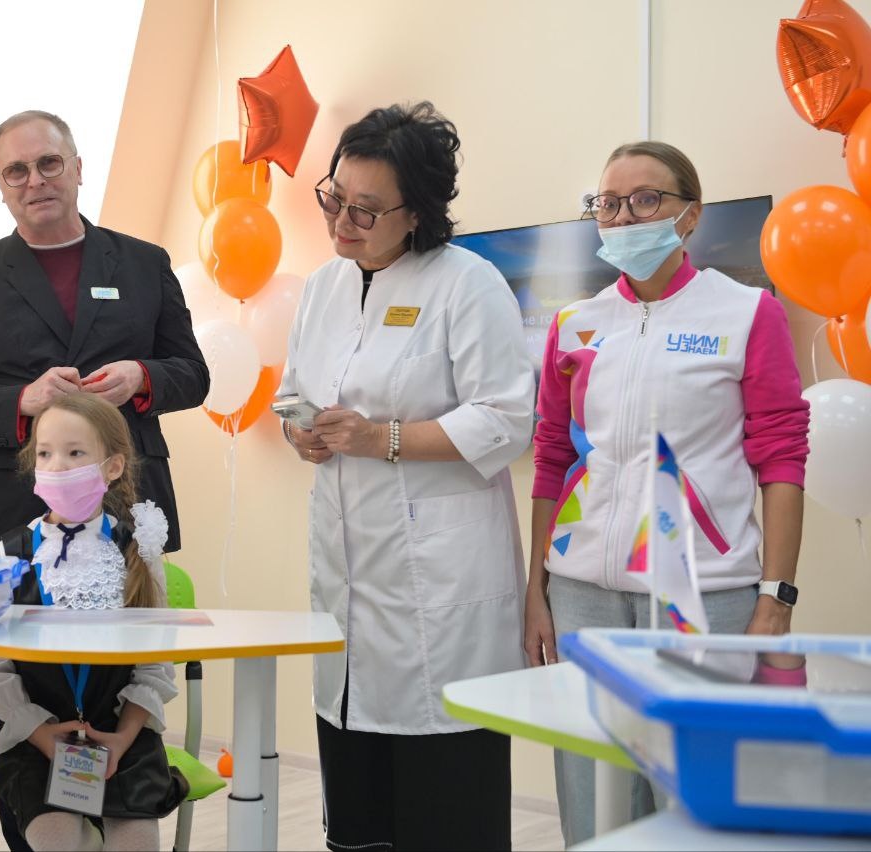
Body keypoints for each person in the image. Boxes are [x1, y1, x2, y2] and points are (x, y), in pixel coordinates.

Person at [523, 141, 810, 845]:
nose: (624, 217)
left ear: (691, 215)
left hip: (702, 599)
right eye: (608, 203)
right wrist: (537, 588)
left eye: (646, 199)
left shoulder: (746, 314)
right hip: (583, 595)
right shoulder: (575, 324)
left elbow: (781, 459)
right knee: (594, 808)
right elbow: (553, 458)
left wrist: (775, 598)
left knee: (697, 812)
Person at [278, 102, 534, 851]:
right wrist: (302, 434)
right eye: (334, 199)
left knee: (443, 805)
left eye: (365, 210)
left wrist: (380, 438)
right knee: (359, 806)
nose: (342, 223)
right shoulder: (323, 287)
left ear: (416, 213)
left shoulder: (468, 284)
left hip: (441, 588)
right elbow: (292, 392)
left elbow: (505, 419)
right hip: (349, 576)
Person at [0, 109, 209, 559]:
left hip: (130, 496)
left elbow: (194, 375)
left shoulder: (145, 263)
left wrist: (141, 377)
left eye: (49, 163)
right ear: (2, 188)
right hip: (14, 506)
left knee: (137, 611)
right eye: (17, 171)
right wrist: (22, 401)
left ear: (78, 169)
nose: (35, 181)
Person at [0, 392, 188, 852]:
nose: (56, 465)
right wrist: (41, 734)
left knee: (136, 846)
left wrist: (122, 737)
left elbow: (154, 667)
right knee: (58, 842)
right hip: (36, 736)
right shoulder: (9, 553)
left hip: (122, 734)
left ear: (112, 467)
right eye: (44, 453)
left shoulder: (139, 553)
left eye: (75, 453)